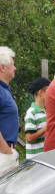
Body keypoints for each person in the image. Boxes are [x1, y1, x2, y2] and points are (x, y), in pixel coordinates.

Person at [0, 46, 19, 174]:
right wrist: (6, 150)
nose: (15, 68)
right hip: (3, 154)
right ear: (2, 67)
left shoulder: (5, 89)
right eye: (13, 64)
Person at [24, 77, 50, 159]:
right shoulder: (31, 113)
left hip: (45, 157)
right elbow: (29, 138)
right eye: (49, 91)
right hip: (35, 160)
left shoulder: (47, 110)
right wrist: (45, 129)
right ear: (40, 92)